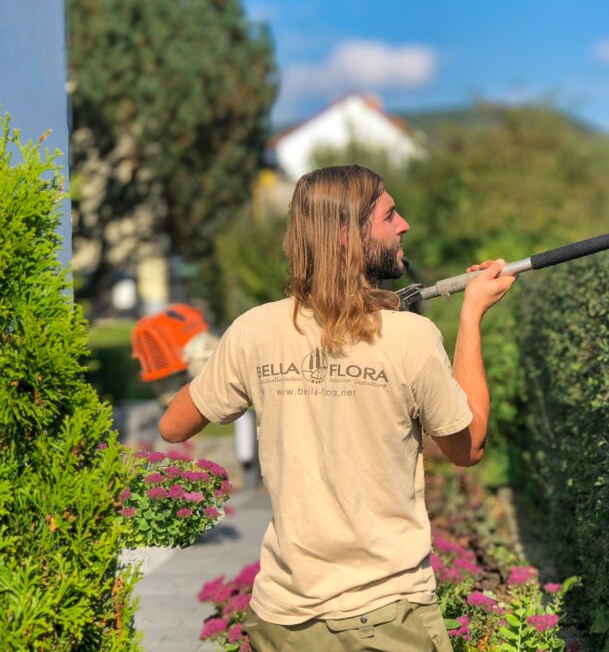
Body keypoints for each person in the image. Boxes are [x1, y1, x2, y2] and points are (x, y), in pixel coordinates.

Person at [158, 165, 516, 651]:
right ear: (346, 235)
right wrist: (471, 315)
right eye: (390, 215)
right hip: (389, 620)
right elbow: (469, 446)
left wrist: (220, 361)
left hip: (282, 620)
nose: (404, 223)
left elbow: (174, 425)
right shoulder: (410, 337)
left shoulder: (253, 331)